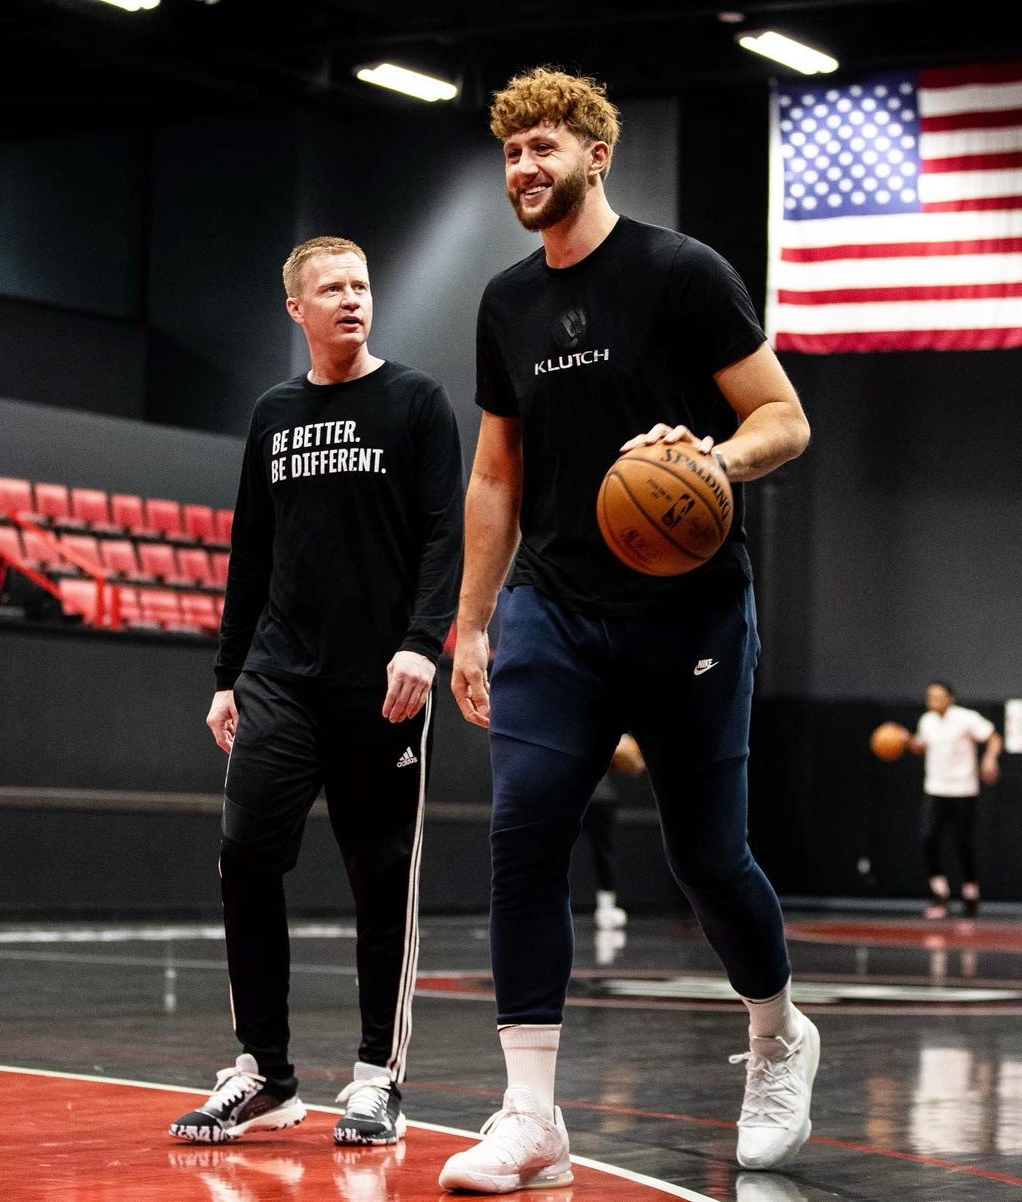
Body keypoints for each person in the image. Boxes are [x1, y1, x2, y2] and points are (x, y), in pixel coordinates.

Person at [439, 67, 814, 1194]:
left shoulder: (681, 273)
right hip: (554, 606)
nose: (525, 169)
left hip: (688, 609)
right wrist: (469, 623)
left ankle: (780, 1034)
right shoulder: (505, 303)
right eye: (511, 153)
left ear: (598, 154)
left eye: (544, 147)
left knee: (707, 855)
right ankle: (531, 1114)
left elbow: (783, 418)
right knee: (523, 832)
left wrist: (715, 460)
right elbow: (496, 473)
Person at [169, 236, 463, 1146]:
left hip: (383, 685)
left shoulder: (416, 402)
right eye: (331, 288)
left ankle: (378, 1077)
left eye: (363, 285)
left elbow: (443, 536)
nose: (352, 299)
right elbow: (250, 551)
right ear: (295, 308)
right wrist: (227, 674)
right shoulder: (274, 414)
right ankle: (265, 1072)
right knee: (247, 858)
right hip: (279, 678)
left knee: (381, 882)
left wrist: (424, 644)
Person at [904, 681, 1001, 919]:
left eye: (938, 696)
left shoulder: (965, 718)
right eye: (930, 696)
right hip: (935, 790)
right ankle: (941, 894)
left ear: (950, 698)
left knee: (962, 844)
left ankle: (970, 896)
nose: (933, 700)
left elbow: (994, 737)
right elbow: (921, 746)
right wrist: (905, 740)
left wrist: (989, 759)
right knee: (928, 839)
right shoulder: (926, 721)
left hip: (962, 790)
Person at [582, 733, 645, 930]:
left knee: (603, 851)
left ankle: (606, 908)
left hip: (598, 796)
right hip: (583, 795)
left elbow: (636, 765)